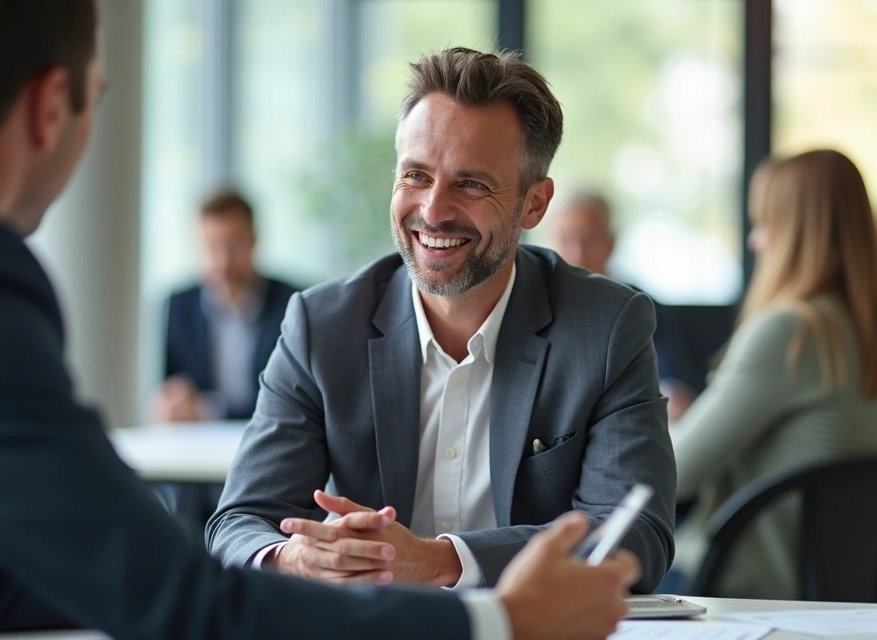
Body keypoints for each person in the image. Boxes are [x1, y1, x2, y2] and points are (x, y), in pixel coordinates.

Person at [0, 3, 639, 639]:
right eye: (99, 98)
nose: (432, 207)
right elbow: (175, 598)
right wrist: (494, 621)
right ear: (49, 104)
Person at [207, 48, 675, 593]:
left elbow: (636, 535)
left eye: (472, 184)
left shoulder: (606, 326)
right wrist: (297, 560)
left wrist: (440, 561)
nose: (432, 211)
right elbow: (237, 524)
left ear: (534, 204)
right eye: (416, 175)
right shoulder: (322, 325)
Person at [667, 149, 877, 599]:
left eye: (764, 224)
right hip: (836, 592)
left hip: (739, 588)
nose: (755, 241)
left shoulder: (790, 331)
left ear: (794, 233)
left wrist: (663, 422)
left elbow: (673, 471)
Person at [549, 191, 697, 420]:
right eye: (565, 240)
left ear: (611, 242)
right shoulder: (535, 310)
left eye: (589, 241)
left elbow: (676, 396)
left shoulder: (642, 309)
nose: (577, 255)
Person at [153, 189, 298, 423]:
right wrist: (170, 404)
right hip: (198, 447)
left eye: (233, 244)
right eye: (211, 246)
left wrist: (208, 411)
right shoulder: (178, 306)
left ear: (254, 240)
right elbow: (171, 386)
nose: (223, 261)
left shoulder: (293, 306)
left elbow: (292, 402)